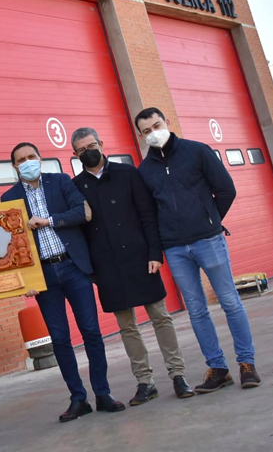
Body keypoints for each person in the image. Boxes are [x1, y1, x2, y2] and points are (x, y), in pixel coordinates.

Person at [135, 107, 261, 391]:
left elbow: (226, 189)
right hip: (176, 249)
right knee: (196, 309)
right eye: (146, 130)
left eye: (157, 125)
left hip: (208, 240)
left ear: (167, 122)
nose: (153, 133)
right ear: (141, 135)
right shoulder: (145, 171)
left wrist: (210, 220)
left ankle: (247, 364)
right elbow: (149, 214)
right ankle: (217, 368)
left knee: (229, 301)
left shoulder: (197, 151)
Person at [0, 143, 125, 422]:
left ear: (40, 159)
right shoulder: (9, 199)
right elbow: (12, 247)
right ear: (14, 166)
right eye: (21, 160)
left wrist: (49, 221)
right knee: (59, 339)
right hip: (43, 276)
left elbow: (82, 212)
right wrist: (24, 282)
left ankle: (102, 393)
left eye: (31, 157)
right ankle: (78, 398)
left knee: (91, 331)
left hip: (72, 266)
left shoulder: (60, 181)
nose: (27, 162)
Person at [70, 127, 195, 404]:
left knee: (160, 317)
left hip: (141, 259)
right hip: (107, 267)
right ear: (75, 154)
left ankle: (178, 375)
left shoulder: (128, 174)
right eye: (81, 149)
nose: (87, 152)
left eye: (91, 145)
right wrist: (91, 269)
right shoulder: (77, 187)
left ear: (101, 143)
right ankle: (145, 382)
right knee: (127, 327)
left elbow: (148, 216)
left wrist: (154, 254)